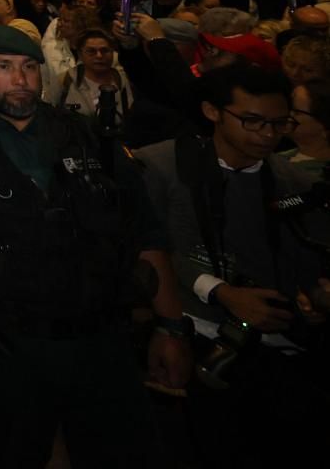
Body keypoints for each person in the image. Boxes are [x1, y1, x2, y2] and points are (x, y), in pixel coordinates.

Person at [0, 24, 191, 468]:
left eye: (30, 67)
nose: (20, 78)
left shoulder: (86, 136)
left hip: (99, 337)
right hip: (2, 338)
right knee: (15, 448)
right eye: (3, 67)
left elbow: (142, 230)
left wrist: (171, 325)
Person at [133, 64, 330, 464]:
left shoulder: (295, 182)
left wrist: (314, 297)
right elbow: (146, 251)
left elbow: (307, 262)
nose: (267, 135)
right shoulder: (159, 166)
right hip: (191, 335)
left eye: (279, 124)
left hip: (276, 350)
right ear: (211, 111)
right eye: (252, 121)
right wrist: (220, 291)